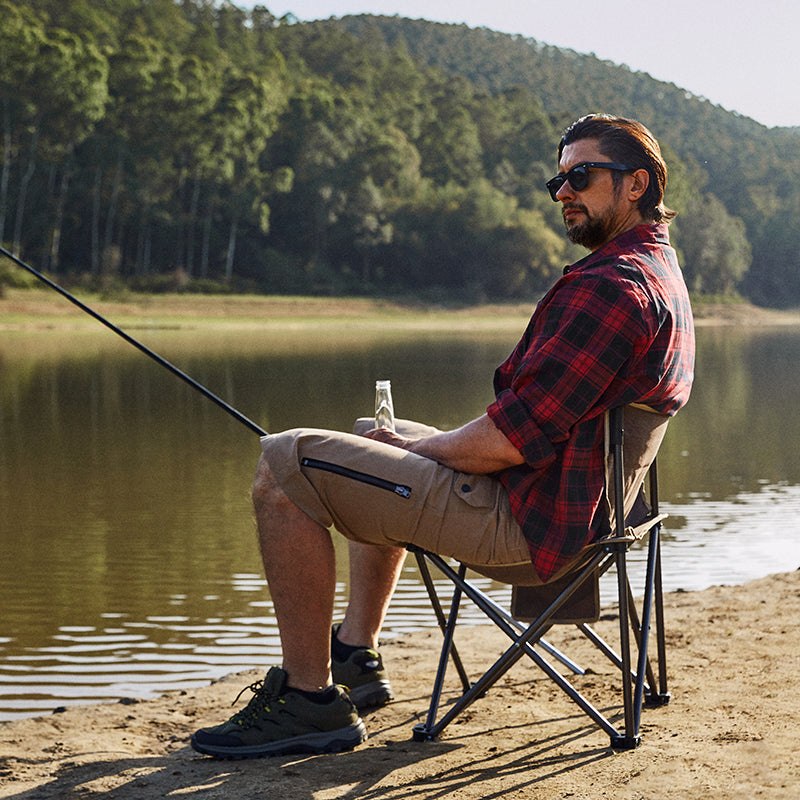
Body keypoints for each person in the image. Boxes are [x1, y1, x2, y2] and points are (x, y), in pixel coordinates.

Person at [191, 114, 695, 759]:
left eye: (581, 176)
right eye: (557, 179)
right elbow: (526, 428)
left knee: (281, 464)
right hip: (593, 513)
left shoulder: (610, 289)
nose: (563, 191)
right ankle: (354, 653)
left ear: (636, 185)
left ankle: (309, 699)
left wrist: (418, 450)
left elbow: (505, 443)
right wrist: (406, 447)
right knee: (367, 438)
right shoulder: (659, 272)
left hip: (529, 523)